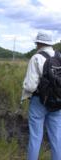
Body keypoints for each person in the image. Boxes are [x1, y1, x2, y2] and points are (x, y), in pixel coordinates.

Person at [21, 32, 61, 160]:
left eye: (36, 43)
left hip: (39, 102)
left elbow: (30, 86)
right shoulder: (59, 56)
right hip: (58, 101)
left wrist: (24, 86)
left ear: (39, 43)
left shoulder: (36, 58)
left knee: (35, 137)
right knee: (56, 137)